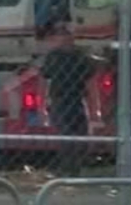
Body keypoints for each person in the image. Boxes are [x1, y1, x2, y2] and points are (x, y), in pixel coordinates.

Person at [40, 23, 96, 177]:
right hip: (59, 100)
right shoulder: (53, 57)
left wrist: (94, 109)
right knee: (65, 135)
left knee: (80, 134)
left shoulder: (80, 57)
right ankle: (67, 167)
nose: (64, 38)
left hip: (77, 100)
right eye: (61, 35)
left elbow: (90, 83)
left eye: (67, 34)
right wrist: (42, 104)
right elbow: (44, 80)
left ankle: (76, 167)